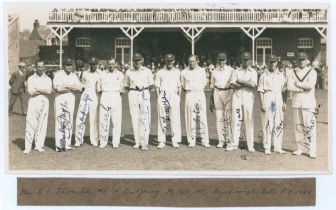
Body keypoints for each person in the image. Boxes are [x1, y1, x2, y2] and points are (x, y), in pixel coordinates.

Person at [287, 52, 317, 159]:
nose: (301, 61)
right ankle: (300, 148)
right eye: (299, 60)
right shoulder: (292, 72)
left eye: (303, 59)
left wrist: (298, 84)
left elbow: (310, 85)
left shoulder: (312, 71)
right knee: (298, 126)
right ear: (297, 61)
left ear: (307, 60)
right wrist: (301, 89)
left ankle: (311, 150)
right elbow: (289, 86)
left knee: (309, 126)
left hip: (308, 103)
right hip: (296, 102)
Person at [226, 52, 257, 152]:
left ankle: (250, 145)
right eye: (244, 59)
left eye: (247, 59)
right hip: (237, 97)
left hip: (248, 97)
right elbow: (232, 85)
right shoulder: (236, 71)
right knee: (236, 120)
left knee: (249, 120)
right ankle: (234, 143)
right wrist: (246, 83)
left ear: (250, 60)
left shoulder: (253, 72)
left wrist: (241, 81)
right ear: (241, 60)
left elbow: (253, 85)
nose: (246, 61)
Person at [123, 53, 154, 151]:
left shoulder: (147, 71)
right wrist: (133, 91)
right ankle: (137, 142)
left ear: (142, 60)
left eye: (139, 60)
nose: (137, 62)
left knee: (145, 117)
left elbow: (151, 85)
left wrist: (144, 90)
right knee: (135, 117)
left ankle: (144, 142)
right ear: (132, 61)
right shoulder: (128, 72)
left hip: (144, 93)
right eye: (135, 60)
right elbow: (126, 85)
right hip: (133, 93)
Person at [258, 55, 287, 155]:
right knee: (268, 122)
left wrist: (284, 102)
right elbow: (260, 91)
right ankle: (267, 146)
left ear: (277, 63)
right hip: (268, 97)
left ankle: (278, 146)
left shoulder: (281, 75)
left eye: (274, 62)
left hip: (278, 98)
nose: (272, 64)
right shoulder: (263, 75)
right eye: (270, 62)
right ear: (267, 63)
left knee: (278, 122)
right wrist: (262, 104)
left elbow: (284, 90)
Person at [181, 55, 210, 148]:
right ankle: (191, 140)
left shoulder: (202, 70)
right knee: (190, 117)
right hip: (190, 94)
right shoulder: (184, 72)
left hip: (200, 94)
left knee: (202, 117)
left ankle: (205, 141)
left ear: (197, 61)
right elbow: (183, 85)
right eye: (190, 61)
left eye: (193, 61)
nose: (191, 63)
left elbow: (205, 82)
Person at [53, 58, 82, 152]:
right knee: (60, 121)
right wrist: (71, 88)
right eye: (67, 65)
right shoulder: (58, 74)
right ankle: (59, 145)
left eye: (70, 65)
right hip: (60, 99)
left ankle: (67, 144)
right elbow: (58, 89)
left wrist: (66, 86)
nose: (69, 67)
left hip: (70, 99)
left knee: (69, 121)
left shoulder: (74, 76)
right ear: (63, 66)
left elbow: (79, 88)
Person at [23, 60, 52, 154]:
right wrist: (42, 90)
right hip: (33, 102)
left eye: (42, 67)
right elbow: (31, 91)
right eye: (38, 67)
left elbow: (49, 91)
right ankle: (27, 147)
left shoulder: (48, 78)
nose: (40, 69)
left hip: (44, 102)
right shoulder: (31, 78)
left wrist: (37, 89)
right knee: (30, 124)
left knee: (42, 124)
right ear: (35, 67)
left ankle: (39, 145)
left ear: (44, 67)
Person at [155, 53, 182, 148]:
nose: (170, 62)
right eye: (168, 61)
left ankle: (175, 140)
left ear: (174, 61)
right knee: (162, 118)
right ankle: (162, 141)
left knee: (174, 118)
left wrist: (178, 97)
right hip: (163, 95)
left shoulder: (178, 72)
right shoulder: (160, 72)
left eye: (171, 61)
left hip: (174, 95)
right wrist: (159, 97)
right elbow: (157, 87)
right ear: (165, 61)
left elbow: (179, 86)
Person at [74, 57, 101, 147]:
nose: (93, 66)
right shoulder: (85, 73)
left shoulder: (101, 73)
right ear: (89, 64)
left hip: (95, 96)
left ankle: (94, 139)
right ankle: (78, 140)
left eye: (94, 64)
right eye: (91, 64)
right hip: (85, 96)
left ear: (97, 64)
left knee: (94, 119)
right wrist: (82, 87)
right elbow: (81, 83)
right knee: (80, 117)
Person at [97, 58, 124, 148]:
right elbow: (99, 88)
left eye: (113, 64)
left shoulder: (120, 74)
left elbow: (122, 89)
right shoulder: (102, 74)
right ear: (107, 64)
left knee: (116, 120)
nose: (111, 66)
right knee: (103, 120)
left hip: (116, 96)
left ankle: (115, 142)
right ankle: (103, 141)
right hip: (105, 96)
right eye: (109, 64)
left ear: (116, 64)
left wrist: (116, 95)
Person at [209, 53, 234, 148]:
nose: (221, 62)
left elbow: (233, 84)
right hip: (217, 93)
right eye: (219, 60)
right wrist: (211, 100)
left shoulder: (231, 70)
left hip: (228, 92)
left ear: (226, 60)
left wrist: (231, 95)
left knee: (228, 118)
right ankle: (221, 140)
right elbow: (212, 86)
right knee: (219, 117)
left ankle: (229, 141)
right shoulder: (214, 71)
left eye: (223, 60)